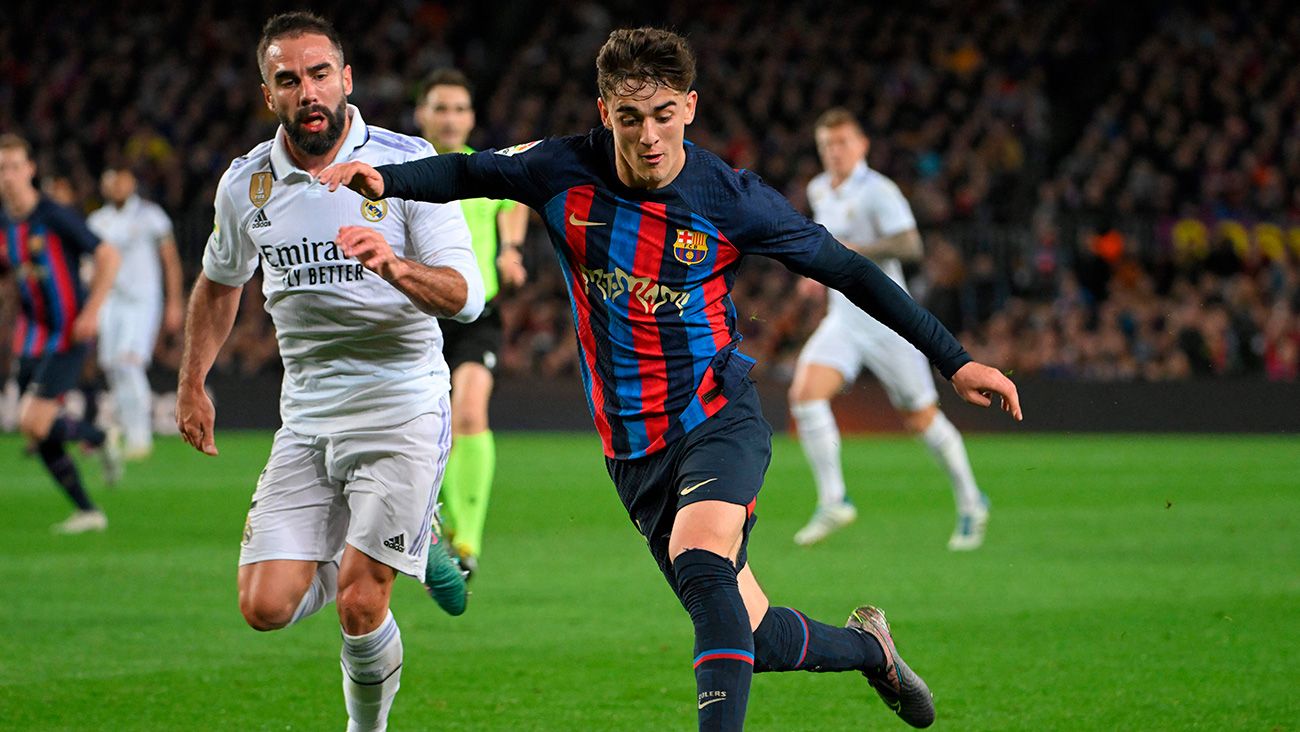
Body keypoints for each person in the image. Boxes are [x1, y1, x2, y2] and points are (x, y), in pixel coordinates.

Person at [321, 27, 1021, 731]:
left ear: (690, 106)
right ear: (605, 113)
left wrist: (955, 359)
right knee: (751, 631)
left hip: (716, 415)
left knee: (701, 560)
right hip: (632, 449)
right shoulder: (560, 168)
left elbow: (850, 270)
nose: (649, 136)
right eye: (630, 118)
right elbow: (468, 172)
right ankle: (871, 652)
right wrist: (387, 180)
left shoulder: (730, 198)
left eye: (663, 114)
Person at [174, 13, 481, 732]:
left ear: (345, 79)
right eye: (288, 80)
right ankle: (415, 540)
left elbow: (467, 297)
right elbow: (219, 282)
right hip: (308, 417)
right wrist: (192, 382)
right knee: (263, 607)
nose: (306, 91)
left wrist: (395, 266)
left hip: (403, 407)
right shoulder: (246, 183)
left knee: (360, 603)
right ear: (268, 94)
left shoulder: (408, 164)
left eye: (319, 74)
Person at [789, 109, 991, 550]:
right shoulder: (819, 188)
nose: (834, 152)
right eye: (826, 145)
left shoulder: (879, 190)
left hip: (887, 321)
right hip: (843, 318)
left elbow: (910, 244)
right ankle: (834, 501)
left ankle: (972, 501)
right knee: (805, 394)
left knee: (920, 417)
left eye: (842, 142)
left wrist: (858, 250)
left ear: (862, 145)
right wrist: (815, 275)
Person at [414, 68, 530, 579]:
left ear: (472, 117)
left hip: (478, 314)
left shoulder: (482, 169)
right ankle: (448, 528)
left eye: (460, 109)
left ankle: (470, 542)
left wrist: (511, 249)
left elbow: (513, 201)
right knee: (428, 427)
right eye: (441, 108)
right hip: (419, 318)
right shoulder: (404, 169)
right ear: (421, 114)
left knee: (468, 412)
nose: (451, 118)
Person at [0, 133, 122, 533]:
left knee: (32, 422)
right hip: (31, 335)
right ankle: (88, 510)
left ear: (30, 170)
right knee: (36, 430)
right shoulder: (5, 223)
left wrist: (92, 310)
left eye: (14, 166)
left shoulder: (54, 215)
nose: (8, 176)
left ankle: (98, 437)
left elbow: (108, 255)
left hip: (68, 332)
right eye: (1, 169)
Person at [87, 167, 184, 460]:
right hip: (110, 301)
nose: (117, 185)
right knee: (112, 367)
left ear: (132, 183)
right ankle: (120, 430)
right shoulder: (97, 220)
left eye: (122, 179)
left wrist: (174, 301)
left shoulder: (151, 216)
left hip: (143, 301)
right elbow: (91, 266)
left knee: (129, 364)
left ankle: (140, 438)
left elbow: (170, 261)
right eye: (111, 180)